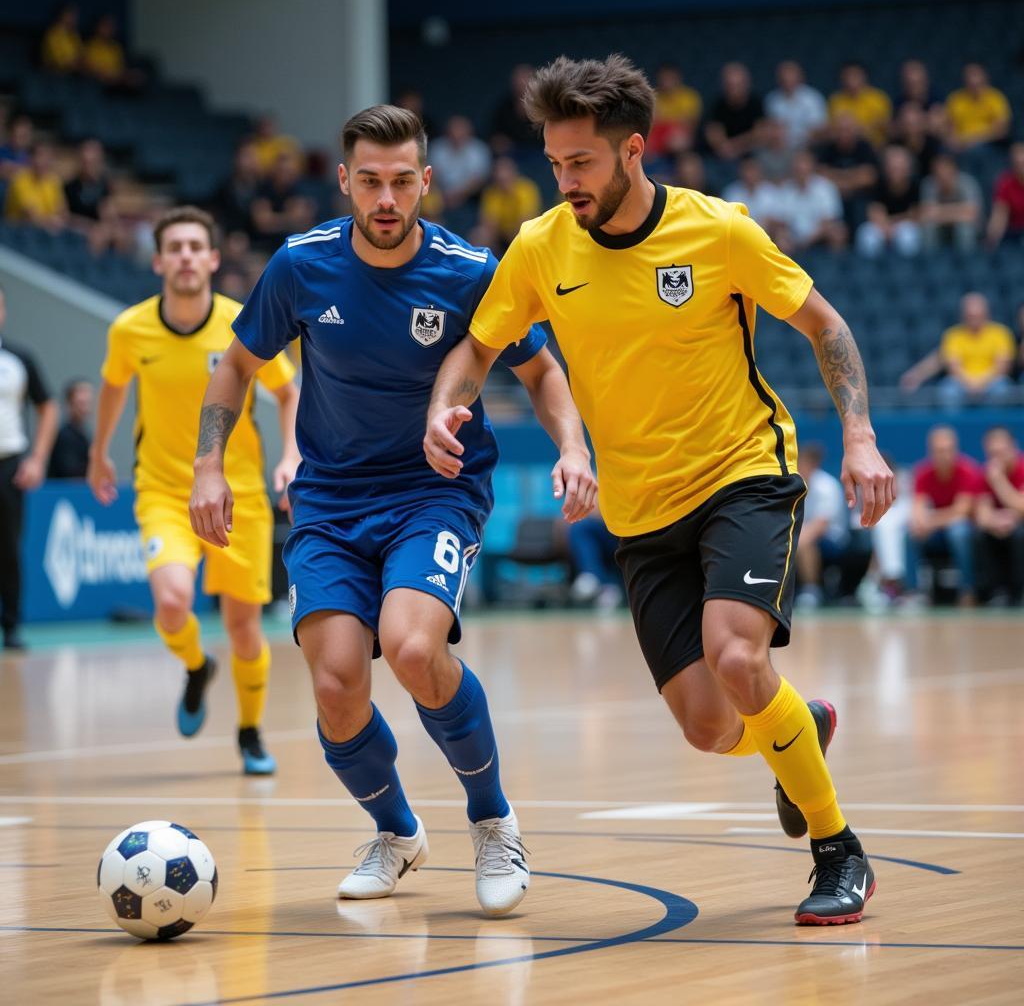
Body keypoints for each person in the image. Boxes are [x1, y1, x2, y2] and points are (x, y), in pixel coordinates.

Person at [426, 54, 894, 927]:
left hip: (740, 473)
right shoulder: (539, 247)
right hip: (639, 511)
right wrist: (443, 407)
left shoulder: (720, 232)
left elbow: (825, 324)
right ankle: (803, 725)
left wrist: (859, 436)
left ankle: (839, 850)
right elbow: (480, 347)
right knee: (711, 727)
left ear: (632, 150)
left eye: (582, 163)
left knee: (738, 656)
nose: (565, 181)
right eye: (554, 163)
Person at [189, 105, 595, 915]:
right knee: (338, 685)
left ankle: (494, 822)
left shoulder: (468, 270)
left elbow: (543, 374)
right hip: (331, 500)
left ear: (425, 182)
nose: (385, 197)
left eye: (401, 181)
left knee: (413, 648)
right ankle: (397, 832)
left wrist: (573, 448)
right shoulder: (300, 267)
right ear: (343, 180)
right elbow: (235, 367)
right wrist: (208, 464)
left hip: (432, 492)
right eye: (369, 181)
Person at [86, 206, 300, 774]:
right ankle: (196, 666)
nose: (184, 256)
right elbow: (111, 389)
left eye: (193, 247)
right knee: (173, 602)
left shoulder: (242, 322)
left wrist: (292, 454)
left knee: (243, 626)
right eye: (173, 247)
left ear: (211, 259)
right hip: (162, 489)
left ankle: (251, 731)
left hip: (240, 496)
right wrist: (99, 451)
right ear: (158, 260)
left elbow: (288, 391)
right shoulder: (129, 329)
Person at [0, 282, 58, 650]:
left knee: (7, 548)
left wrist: (37, 459)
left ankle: (11, 626)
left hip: (8, 463)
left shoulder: (18, 358)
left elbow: (48, 406)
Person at [905, 426, 979, 606]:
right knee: (910, 533)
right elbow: (918, 507)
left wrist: (929, 522)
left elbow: (961, 511)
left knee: (958, 531)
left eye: (948, 449)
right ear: (930, 451)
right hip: (937, 531)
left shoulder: (968, 470)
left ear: (956, 449)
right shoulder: (922, 473)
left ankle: (968, 589)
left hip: (965, 529)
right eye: (939, 450)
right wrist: (921, 523)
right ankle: (914, 591)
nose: (944, 455)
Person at [900, 292, 1015, 407]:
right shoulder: (954, 335)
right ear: (963, 316)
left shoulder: (1000, 333)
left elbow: (1001, 367)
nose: (974, 320)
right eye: (970, 316)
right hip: (961, 383)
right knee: (948, 391)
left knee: (1001, 389)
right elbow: (953, 367)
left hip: (991, 382)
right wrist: (970, 384)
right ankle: (953, 424)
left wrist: (981, 384)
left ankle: (996, 424)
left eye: (978, 316)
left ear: (986, 314)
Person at [794, 443, 850, 609]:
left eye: (802, 464)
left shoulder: (826, 486)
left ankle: (811, 590)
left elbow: (820, 526)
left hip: (833, 538)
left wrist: (795, 541)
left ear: (813, 465)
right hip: (801, 534)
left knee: (805, 544)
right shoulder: (793, 484)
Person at [975, 426, 1024, 605]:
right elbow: (982, 514)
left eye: (1001, 452)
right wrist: (996, 521)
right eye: (992, 453)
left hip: (1019, 525)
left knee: (1019, 535)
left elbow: (1021, 506)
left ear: (1013, 448)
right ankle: (996, 592)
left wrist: (998, 480)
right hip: (999, 526)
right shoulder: (984, 473)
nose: (996, 458)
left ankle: (1019, 592)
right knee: (981, 535)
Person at [855, 145, 922, 258]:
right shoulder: (878, 183)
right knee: (867, 233)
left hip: (902, 226)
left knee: (908, 234)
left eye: (900, 168)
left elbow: (916, 216)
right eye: (892, 167)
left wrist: (893, 224)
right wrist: (887, 226)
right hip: (882, 225)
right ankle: (868, 270)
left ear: (908, 169)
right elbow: (874, 212)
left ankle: (907, 269)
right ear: (886, 168)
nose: (896, 172)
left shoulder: (915, 186)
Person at [776, 150, 846, 252]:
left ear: (811, 167)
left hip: (820, 235)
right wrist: (787, 236)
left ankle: (833, 266)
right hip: (793, 238)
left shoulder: (825, 187)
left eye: (804, 166)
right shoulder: (785, 190)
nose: (801, 170)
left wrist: (809, 239)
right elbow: (782, 221)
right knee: (780, 237)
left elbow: (829, 219)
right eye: (798, 168)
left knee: (838, 231)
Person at [919, 152, 982, 252]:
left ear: (954, 170)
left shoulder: (968, 183)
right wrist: (960, 211)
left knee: (964, 227)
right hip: (940, 228)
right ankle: (930, 259)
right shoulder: (928, 184)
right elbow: (927, 214)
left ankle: (966, 260)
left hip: (966, 230)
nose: (942, 174)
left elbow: (973, 213)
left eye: (946, 169)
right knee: (928, 226)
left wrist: (940, 212)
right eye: (938, 171)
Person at [944, 63, 1012, 154]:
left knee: (977, 151)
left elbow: (1001, 130)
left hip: (988, 145)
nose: (973, 81)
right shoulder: (956, 99)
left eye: (976, 76)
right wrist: (954, 140)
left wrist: (972, 140)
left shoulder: (996, 98)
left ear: (985, 78)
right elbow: (949, 127)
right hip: (960, 146)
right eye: (969, 77)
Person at [704, 62, 764, 162]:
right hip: (722, 154)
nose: (734, 89)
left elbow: (761, 134)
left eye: (738, 85)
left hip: (751, 154)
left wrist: (735, 147)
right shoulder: (717, 105)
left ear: (747, 84)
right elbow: (713, 134)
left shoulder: (756, 103)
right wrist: (725, 147)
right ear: (723, 85)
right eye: (730, 85)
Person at [765, 60, 827, 151]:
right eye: (784, 80)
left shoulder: (812, 98)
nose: (788, 83)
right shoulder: (772, 100)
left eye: (791, 79)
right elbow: (770, 130)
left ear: (800, 78)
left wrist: (800, 142)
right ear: (779, 80)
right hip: (781, 148)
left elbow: (819, 129)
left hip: (808, 147)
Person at [4, 142, 68, 231]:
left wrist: (58, 221)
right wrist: (52, 221)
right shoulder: (20, 180)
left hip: (46, 232)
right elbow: (30, 215)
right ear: (30, 158)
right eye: (40, 156)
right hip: (17, 234)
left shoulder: (53, 181)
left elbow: (63, 212)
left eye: (48, 157)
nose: (44, 161)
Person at [828, 62, 891, 147]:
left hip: (874, 147)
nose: (851, 80)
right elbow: (832, 130)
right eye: (847, 76)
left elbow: (886, 128)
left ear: (864, 77)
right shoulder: (836, 100)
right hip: (843, 146)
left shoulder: (878, 99)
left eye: (855, 76)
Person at [48, 378, 93, 479]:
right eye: (81, 403)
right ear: (69, 404)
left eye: (88, 403)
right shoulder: (64, 436)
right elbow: (70, 473)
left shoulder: (83, 434)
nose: (85, 409)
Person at [986, 142, 1024, 247]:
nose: (1021, 165)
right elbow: (1000, 214)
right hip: (1013, 232)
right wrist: (992, 239)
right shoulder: (1005, 182)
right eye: (1018, 163)